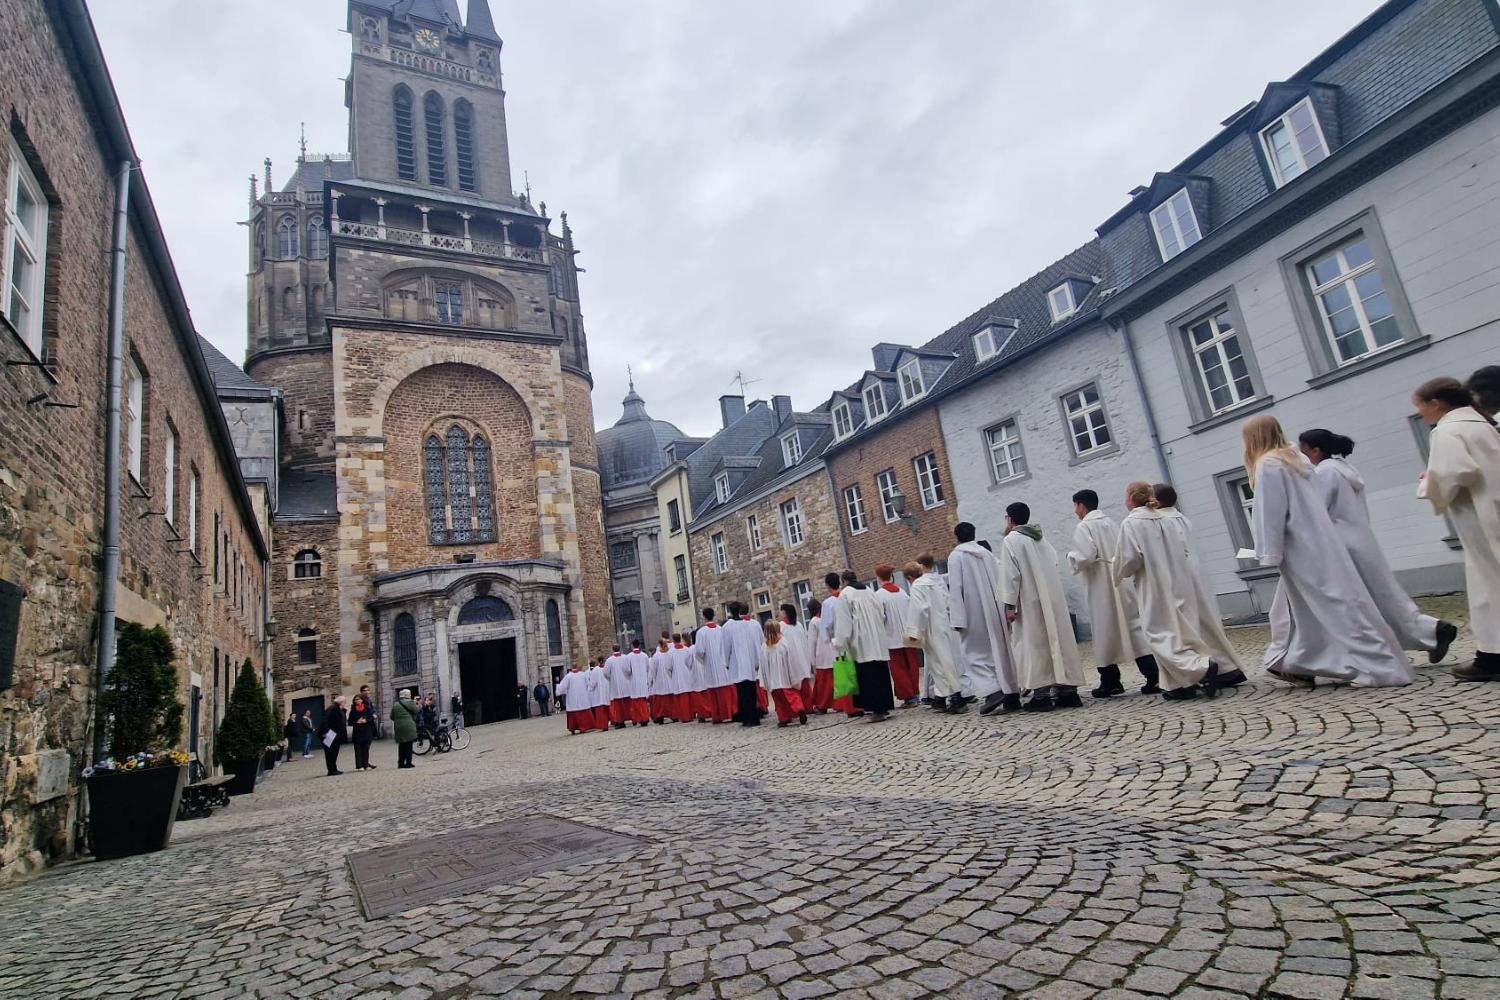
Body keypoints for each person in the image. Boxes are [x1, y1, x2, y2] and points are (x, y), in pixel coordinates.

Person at [1242, 416, 1413, 687]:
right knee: (1320, 608)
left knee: (1334, 606)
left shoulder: (1270, 464)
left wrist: (1268, 552)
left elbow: (1270, 512)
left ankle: (1379, 668)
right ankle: (1304, 661)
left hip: (1300, 545)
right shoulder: (1298, 461)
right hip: (1321, 540)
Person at [1298, 428, 1458, 661]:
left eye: (1303, 450)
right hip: (1360, 538)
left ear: (1315, 450)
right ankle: (1428, 634)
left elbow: (1317, 510)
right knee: (1382, 595)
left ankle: (1431, 632)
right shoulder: (1344, 469)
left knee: (1370, 599)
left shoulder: (1325, 473)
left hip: (1342, 543)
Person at [1115, 482, 1240, 700]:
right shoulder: (1167, 519)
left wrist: (1118, 568)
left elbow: (1130, 559)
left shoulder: (1132, 522)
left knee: (1158, 633)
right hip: (1177, 580)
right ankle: (1179, 685)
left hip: (1153, 584)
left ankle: (1199, 667)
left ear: (1131, 498)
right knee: (1179, 633)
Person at [1414, 377, 1500, 680]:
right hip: (1493, 506)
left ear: (1436, 404)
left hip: (1477, 514)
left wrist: (1429, 481)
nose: (1421, 414)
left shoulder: (1447, 429)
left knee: (1487, 582)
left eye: (1420, 407)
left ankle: (1492, 656)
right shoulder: (1480, 423)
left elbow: (1456, 473)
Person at [1067, 489, 1162, 697]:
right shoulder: (1111, 522)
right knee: (1134, 627)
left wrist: (1070, 557)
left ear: (1081, 505)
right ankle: (1154, 676)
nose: (1075, 511)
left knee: (1104, 631)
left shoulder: (1084, 527)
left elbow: (1085, 556)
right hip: (1121, 579)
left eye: (1075, 506)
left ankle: (1110, 681)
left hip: (1101, 584)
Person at [1000, 503, 1087, 711]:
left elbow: (1010, 575)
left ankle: (1042, 695)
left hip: (1030, 601)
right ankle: (1068, 692)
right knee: (1059, 641)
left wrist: (1009, 606)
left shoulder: (1011, 540)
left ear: (1010, 519)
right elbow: (1054, 562)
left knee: (1035, 644)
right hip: (1052, 599)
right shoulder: (1041, 538)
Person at [948, 522, 1021, 714]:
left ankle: (993, 691)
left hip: (972, 612)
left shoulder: (956, 556)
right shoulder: (987, 554)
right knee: (1001, 651)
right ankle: (1012, 694)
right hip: (995, 608)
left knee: (973, 654)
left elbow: (955, 590)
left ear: (956, 537)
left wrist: (957, 619)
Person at [901, 560, 965, 713]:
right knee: (943, 662)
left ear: (909, 578)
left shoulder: (917, 587)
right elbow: (947, 601)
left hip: (930, 628)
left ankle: (955, 697)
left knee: (940, 664)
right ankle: (942, 696)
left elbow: (919, 610)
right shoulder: (934, 582)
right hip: (942, 624)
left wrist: (914, 632)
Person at [833, 570, 895, 722]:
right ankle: (884, 706)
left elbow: (844, 621)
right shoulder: (869, 591)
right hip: (877, 638)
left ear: (843, 581)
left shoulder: (846, 594)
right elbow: (882, 613)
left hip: (861, 641)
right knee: (880, 673)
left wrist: (840, 642)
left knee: (868, 675)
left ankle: (875, 709)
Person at [874, 565, 921, 706]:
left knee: (899, 669)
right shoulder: (902, 592)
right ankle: (915, 693)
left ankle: (909, 696)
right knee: (912, 666)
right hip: (907, 634)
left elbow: (880, 617)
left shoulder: (879, 595)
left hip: (892, 637)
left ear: (878, 577)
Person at [759, 620, 811, 727]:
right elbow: (791, 659)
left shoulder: (765, 646)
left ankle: (784, 718)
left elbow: (763, 664)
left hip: (773, 677)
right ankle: (799, 708)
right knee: (791, 694)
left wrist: (765, 679)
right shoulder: (784, 642)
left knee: (778, 699)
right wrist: (793, 675)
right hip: (785, 675)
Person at [725, 601, 764, 726]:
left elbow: (726, 646)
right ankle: (754, 716)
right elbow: (755, 642)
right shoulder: (749, 624)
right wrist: (756, 660)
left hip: (737, 662)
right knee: (751, 691)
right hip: (749, 661)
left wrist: (725, 661)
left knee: (742, 692)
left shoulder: (728, 627)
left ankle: (746, 717)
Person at [806, 597, 836, 714]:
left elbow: (811, 642)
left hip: (821, 655)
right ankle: (837, 704)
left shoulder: (814, 622)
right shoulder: (827, 619)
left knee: (823, 684)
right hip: (832, 653)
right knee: (833, 682)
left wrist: (812, 660)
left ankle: (822, 705)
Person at [556, 666, 593, 734]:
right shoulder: (583, 675)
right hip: (582, 698)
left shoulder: (568, 676)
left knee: (573, 712)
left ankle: (573, 728)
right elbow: (589, 684)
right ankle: (584, 727)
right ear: (578, 667)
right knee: (583, 711)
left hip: (572, 699)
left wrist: (558, 687)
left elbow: (563, 687)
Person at [320, 695, 348, 776]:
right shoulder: (333, 708)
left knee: (334, 752)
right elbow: (326, 721)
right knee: (330, 753)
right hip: (330, 734)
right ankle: (331, 770)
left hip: (334, 734)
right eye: (344, 702)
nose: (345, 703)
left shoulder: (337, 708)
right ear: (341, 702)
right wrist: (325, 732)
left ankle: (334, 769)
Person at [390, 689, 419, 767]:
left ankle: (401, 763)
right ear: (406, 695)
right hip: (408, 725)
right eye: (409, 694)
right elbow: (416, 711)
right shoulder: (410, 702)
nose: (410, 696)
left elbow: (392, 717)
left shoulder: (395, 704)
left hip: (398, 726)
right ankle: (408, 763)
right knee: (409, 744)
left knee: (401, 745)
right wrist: (417, 704)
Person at [348, 694, 377, 770]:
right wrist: (356, 722)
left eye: (358, 699)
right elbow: (350, 722)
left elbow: (371, 718)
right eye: (355, 700)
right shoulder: (353, 710)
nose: (357, 701)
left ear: (362, 700)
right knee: (358, 749)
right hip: (357, 731)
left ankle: (366, 765)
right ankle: (359, 765)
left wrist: (366, 720)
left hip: (366, 730)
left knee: (366, 749)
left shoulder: (367, 708)